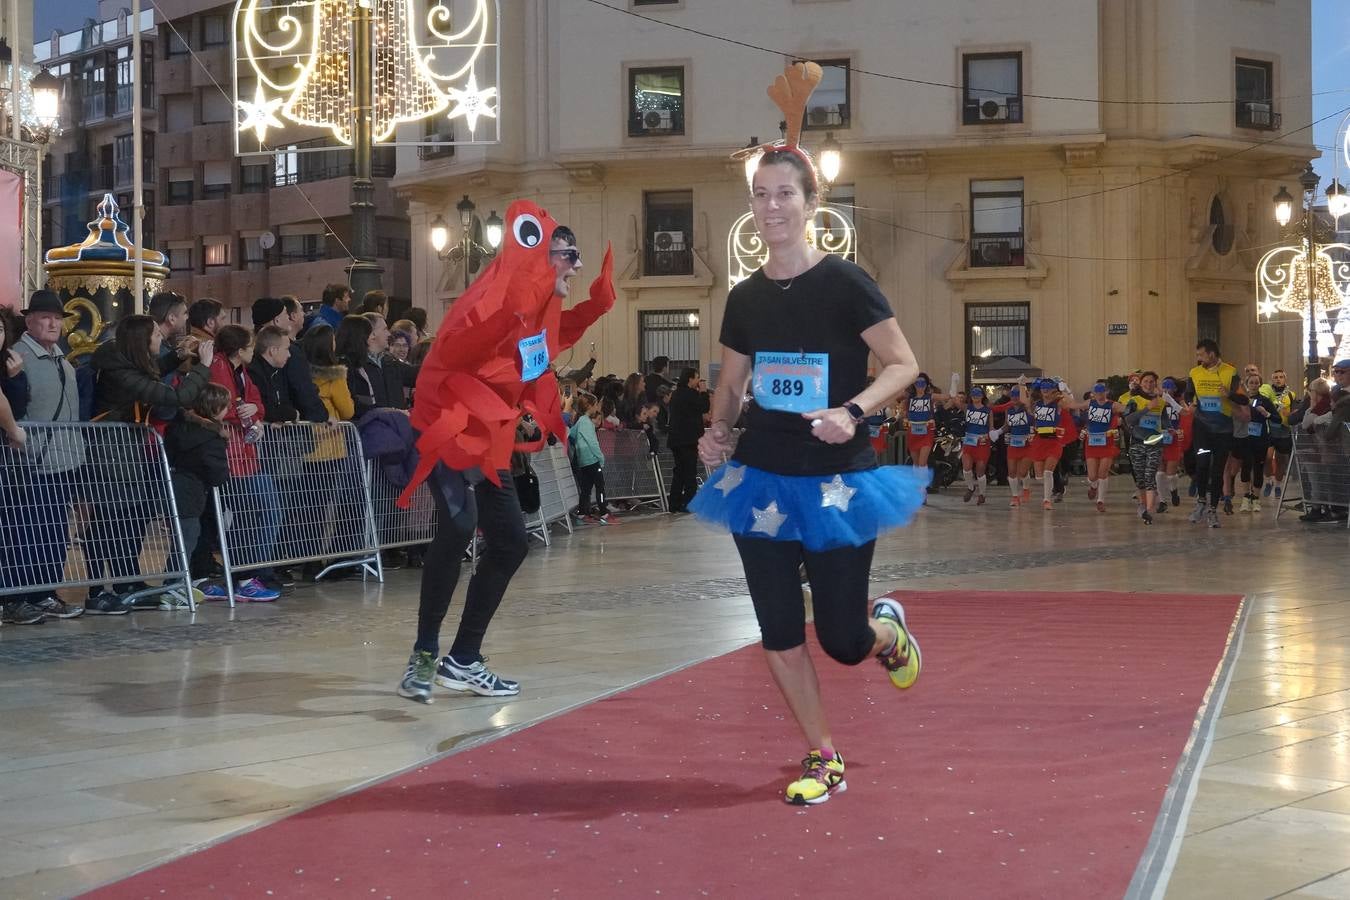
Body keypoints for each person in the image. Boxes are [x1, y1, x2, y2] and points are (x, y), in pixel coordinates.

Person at [690, 98, 928, 806]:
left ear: (810, 201)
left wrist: (852, 411)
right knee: (778, 631)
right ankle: (824, 755)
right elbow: (731, 387)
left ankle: (887, 634)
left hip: (834, 481)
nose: (771, 208)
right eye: (761, 197)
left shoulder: (846, 283)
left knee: (843, 639)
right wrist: (717, 432)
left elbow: (903, 364)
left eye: (784, 194)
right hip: (760, 477)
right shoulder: (745, 298)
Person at [396, 207, 616, 705]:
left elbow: (551, 343)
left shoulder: (536, 312)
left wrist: (595, 309)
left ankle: (464, 659)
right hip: (450, 431)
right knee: (457, 525)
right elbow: (460, 351)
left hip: (490, 444)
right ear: (541, 257)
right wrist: (507, 318)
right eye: (569, 256)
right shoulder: (491, 300)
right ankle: (425, 655)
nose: (576, 268)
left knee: (512, 543)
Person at [86, 314, 216, 613]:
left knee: (128, 520)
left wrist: (179, 357)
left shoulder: (124, 362)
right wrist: (203, 367)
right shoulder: (119, 371)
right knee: (109, 521)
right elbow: (177, 395)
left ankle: (126, 581)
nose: (162, 339)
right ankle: (97, 590)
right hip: (110, 454)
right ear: (142, 341)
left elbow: (150, 373)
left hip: (126, 452)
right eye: (157, 335)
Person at [3, 291, 85, 626]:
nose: (53, 323)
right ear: (29, 320)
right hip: (29, 463)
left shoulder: (63, 360)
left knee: (54, 533)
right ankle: (16, 597)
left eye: (58, 318)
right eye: (45, 317)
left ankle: (44, 593)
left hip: (64, 461)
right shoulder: (16, 357)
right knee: (25, 533)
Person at [204, 325, 282, 601]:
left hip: (245, 456)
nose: (254, 351)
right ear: (240, 349)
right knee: (256, 514)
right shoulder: (219, 367)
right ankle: (248, 575)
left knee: (254, 516)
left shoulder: (241, 372)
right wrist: (245, 413)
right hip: (229, 457)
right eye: (251, 346)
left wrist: (254, 411)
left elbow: (256, 401)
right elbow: (220, 405)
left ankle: (247, 573)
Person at [1186, 339, 1242, 528]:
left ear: (1211, 354)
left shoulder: (1230, 371)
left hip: (1223, 430)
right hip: (1202, 427)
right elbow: (1188, 393)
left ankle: (1212, 510)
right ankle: (1201, 502)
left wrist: (1229, 395)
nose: (1199, 358)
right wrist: (1190, 403)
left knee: (1218, 470)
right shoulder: (1194, 372)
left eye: (1201, 355)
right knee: (1202, 464)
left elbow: (1243, 398)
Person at [667, 367, 710, 513]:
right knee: (690, 472)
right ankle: (689, 503)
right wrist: (704, 392)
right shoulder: (690, 394)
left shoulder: (676, 394)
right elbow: (704, 407)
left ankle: (674, 503)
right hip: (688, 439)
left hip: (676, 439)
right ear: (690, 379)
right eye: (697, 377)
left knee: (679, 472)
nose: (699, 381)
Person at [946, 384, 997, 505]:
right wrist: (954, 382)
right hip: (969, 441)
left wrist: (991, 434)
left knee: (980, 470)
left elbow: (991, 428)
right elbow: (954, 399)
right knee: (966, 467)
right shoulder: (967, 408)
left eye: (978, 394)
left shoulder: (988, 411)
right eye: (973, 394)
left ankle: (982, 494)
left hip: (982, 443)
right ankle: (970, 487)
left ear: (983, 396)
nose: (976, 396)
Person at [568, 392, 607, 522]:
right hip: (592, 460)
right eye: (595, 405)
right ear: (589, 406)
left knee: (586, 488)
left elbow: (571, 434)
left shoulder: (579, 421)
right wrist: (600, 457)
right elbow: (592, 442)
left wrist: (578, 447)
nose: (597, 408)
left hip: (583, 461)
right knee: (600, 486)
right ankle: (604, 512)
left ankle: (582, 513)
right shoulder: (586, 422)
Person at [991, 385, 1032, 507]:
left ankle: (1026, 488)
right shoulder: (1008, 409)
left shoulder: (1028, 408)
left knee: (1023, 472)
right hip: (1013, 443)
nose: (1014, 398)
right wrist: (998, 432)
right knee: (1012, 471)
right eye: (1012, 395)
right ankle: (1015, 496)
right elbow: (1007, 425)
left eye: (1017, 395)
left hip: (1028, 443)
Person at [148, 291, 193, 376]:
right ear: (172, 319)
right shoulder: (159, 351)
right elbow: (169, 388)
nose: (187, 317)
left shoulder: (161, 345)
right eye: (184, 313)